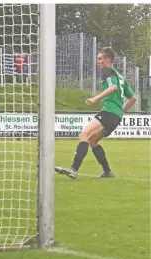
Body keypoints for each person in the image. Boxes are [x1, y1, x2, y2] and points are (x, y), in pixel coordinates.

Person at [55, 47, 136, 179]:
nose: (98, 61)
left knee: (84, 135)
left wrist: (95, 98)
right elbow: (133, 98)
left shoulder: (108, 71)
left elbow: (113, 87)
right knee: (92, 140)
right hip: (115, 116)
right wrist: (121, 112)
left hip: (108, 112)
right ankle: (107, 172)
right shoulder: (120, 76)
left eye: (100, 59)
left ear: (108, 60)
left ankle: (73, 170)